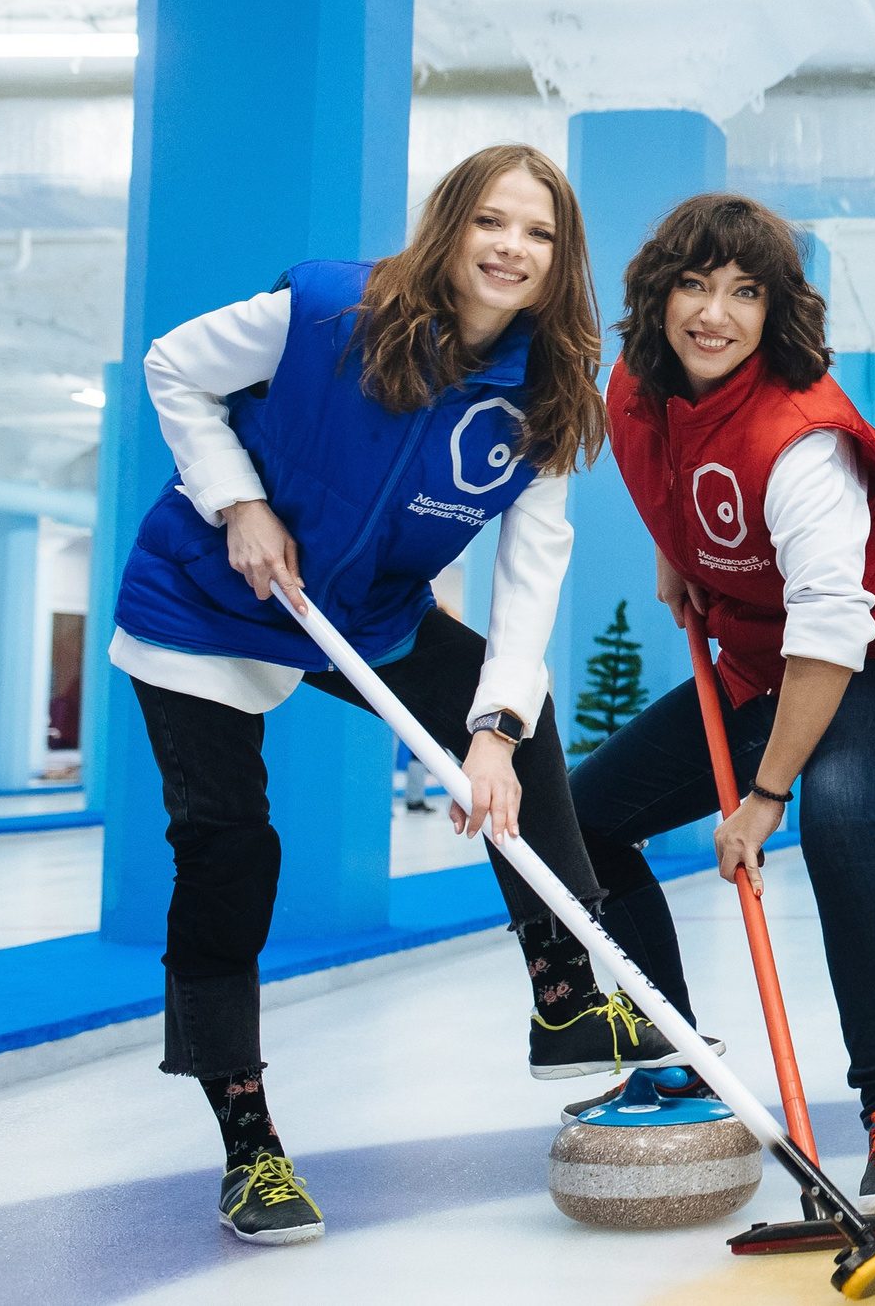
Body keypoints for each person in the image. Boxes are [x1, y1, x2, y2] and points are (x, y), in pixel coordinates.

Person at [109, 144, 641, 1246]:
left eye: (539, 234)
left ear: (562, 261)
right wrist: (236, 501)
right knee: (229, 846)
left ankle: (563, 993)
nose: (511, 248)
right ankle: (249, 1144)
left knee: (522, 735)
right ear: (450, 224)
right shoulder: (325, 312)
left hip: (365, 615)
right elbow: (172, 365)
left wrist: (490, 732)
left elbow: (531, 574)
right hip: (206, 602)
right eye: (493, 221)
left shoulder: (545, 393)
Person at [566, 194, 875, 1211]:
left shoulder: (802, 440)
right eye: (695, 285)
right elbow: (673, 472)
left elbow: (834, 629)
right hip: (762, 658)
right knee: (582, 820)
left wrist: (765, 796)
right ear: (658, 294)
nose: (715, 313)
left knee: (837, 814)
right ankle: (673, 1055)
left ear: (775, 311)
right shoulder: (632, 389)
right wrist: (677, 547)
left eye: (746, 292)